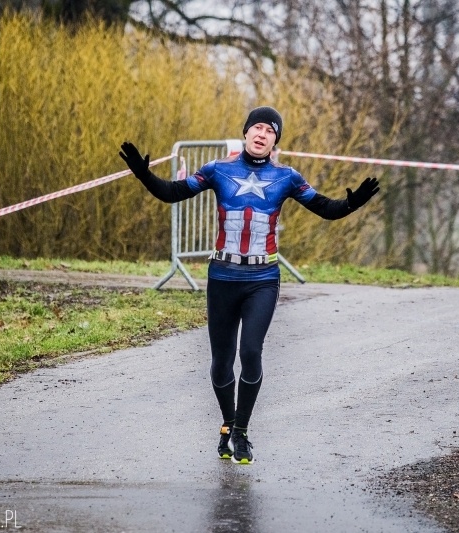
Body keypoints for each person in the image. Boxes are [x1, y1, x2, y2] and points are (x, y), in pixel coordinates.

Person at [119, 106, 380, 463]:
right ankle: (227, 424)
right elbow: (172, 192)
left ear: (275, 141)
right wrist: (144, 175)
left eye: (270, 131)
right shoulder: (217, 170)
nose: (262, 134)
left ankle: (242, 432)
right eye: (256, 127)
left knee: (252, 352)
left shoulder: (286, 177)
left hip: (262, 279)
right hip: (222, 277)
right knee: (221, 363)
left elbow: (325, 208)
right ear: (245, 133)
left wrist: (352, 203)